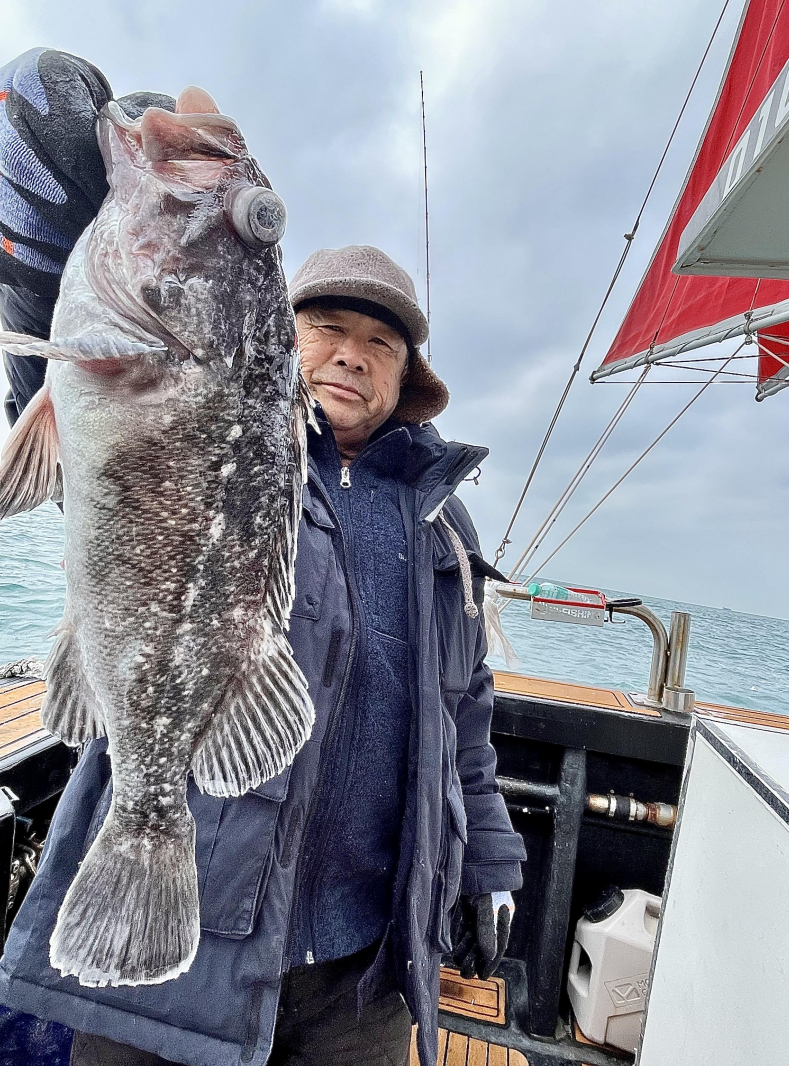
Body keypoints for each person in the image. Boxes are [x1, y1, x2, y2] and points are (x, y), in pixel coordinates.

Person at [0, 49, 526, 1066]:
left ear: (407, 379)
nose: (348, 353)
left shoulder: (445, 537)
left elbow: (466, 720)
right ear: (278, 342)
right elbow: (86, 433)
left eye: (380, 344)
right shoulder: (228, 441)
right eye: (326, 325)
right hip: (190, 959)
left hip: (366, 969)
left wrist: (490, 866)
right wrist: (43, 262)